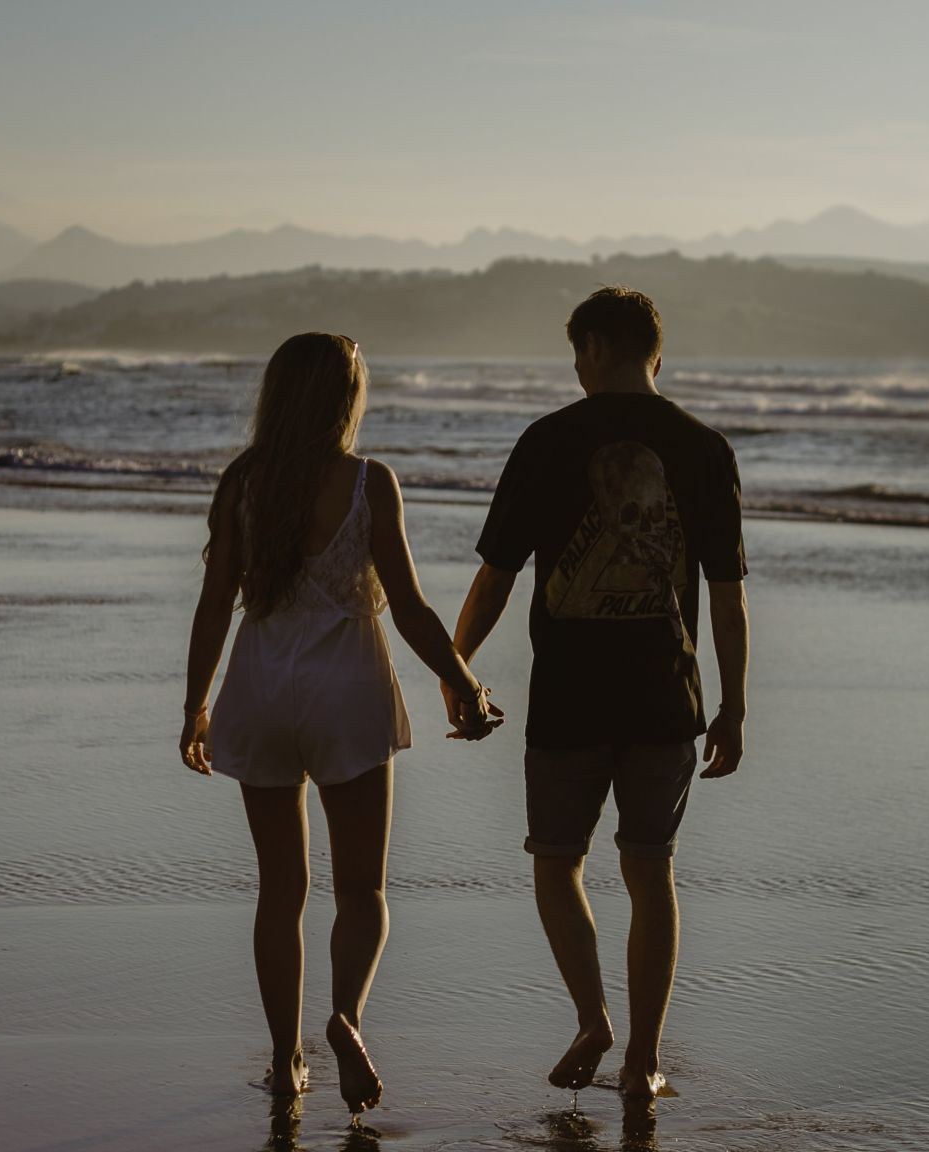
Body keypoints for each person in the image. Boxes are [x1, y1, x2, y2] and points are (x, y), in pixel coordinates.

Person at [179, 331, 503, 1115]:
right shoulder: (368, 483)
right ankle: (344, 1018)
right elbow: (414, 607)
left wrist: (194, 705)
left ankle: (287, 1061)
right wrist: (463, 682)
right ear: (344, 399)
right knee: (361, 891)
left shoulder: (242, 484)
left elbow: (214, 602)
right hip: (347, 693)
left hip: (259, 693)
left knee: (279, 893)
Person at [452, 286, 751, 1105]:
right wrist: (734, 705)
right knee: (650, 871)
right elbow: (726, 592)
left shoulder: (546, 440)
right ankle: (644, 1060)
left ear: (590, 350)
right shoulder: (703, 446)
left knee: (557, 863)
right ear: (657, 353)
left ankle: (594, 1019)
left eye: (576, 354)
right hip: (666, 696)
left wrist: (453, 667)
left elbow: (496, 578)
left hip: (568, 698)